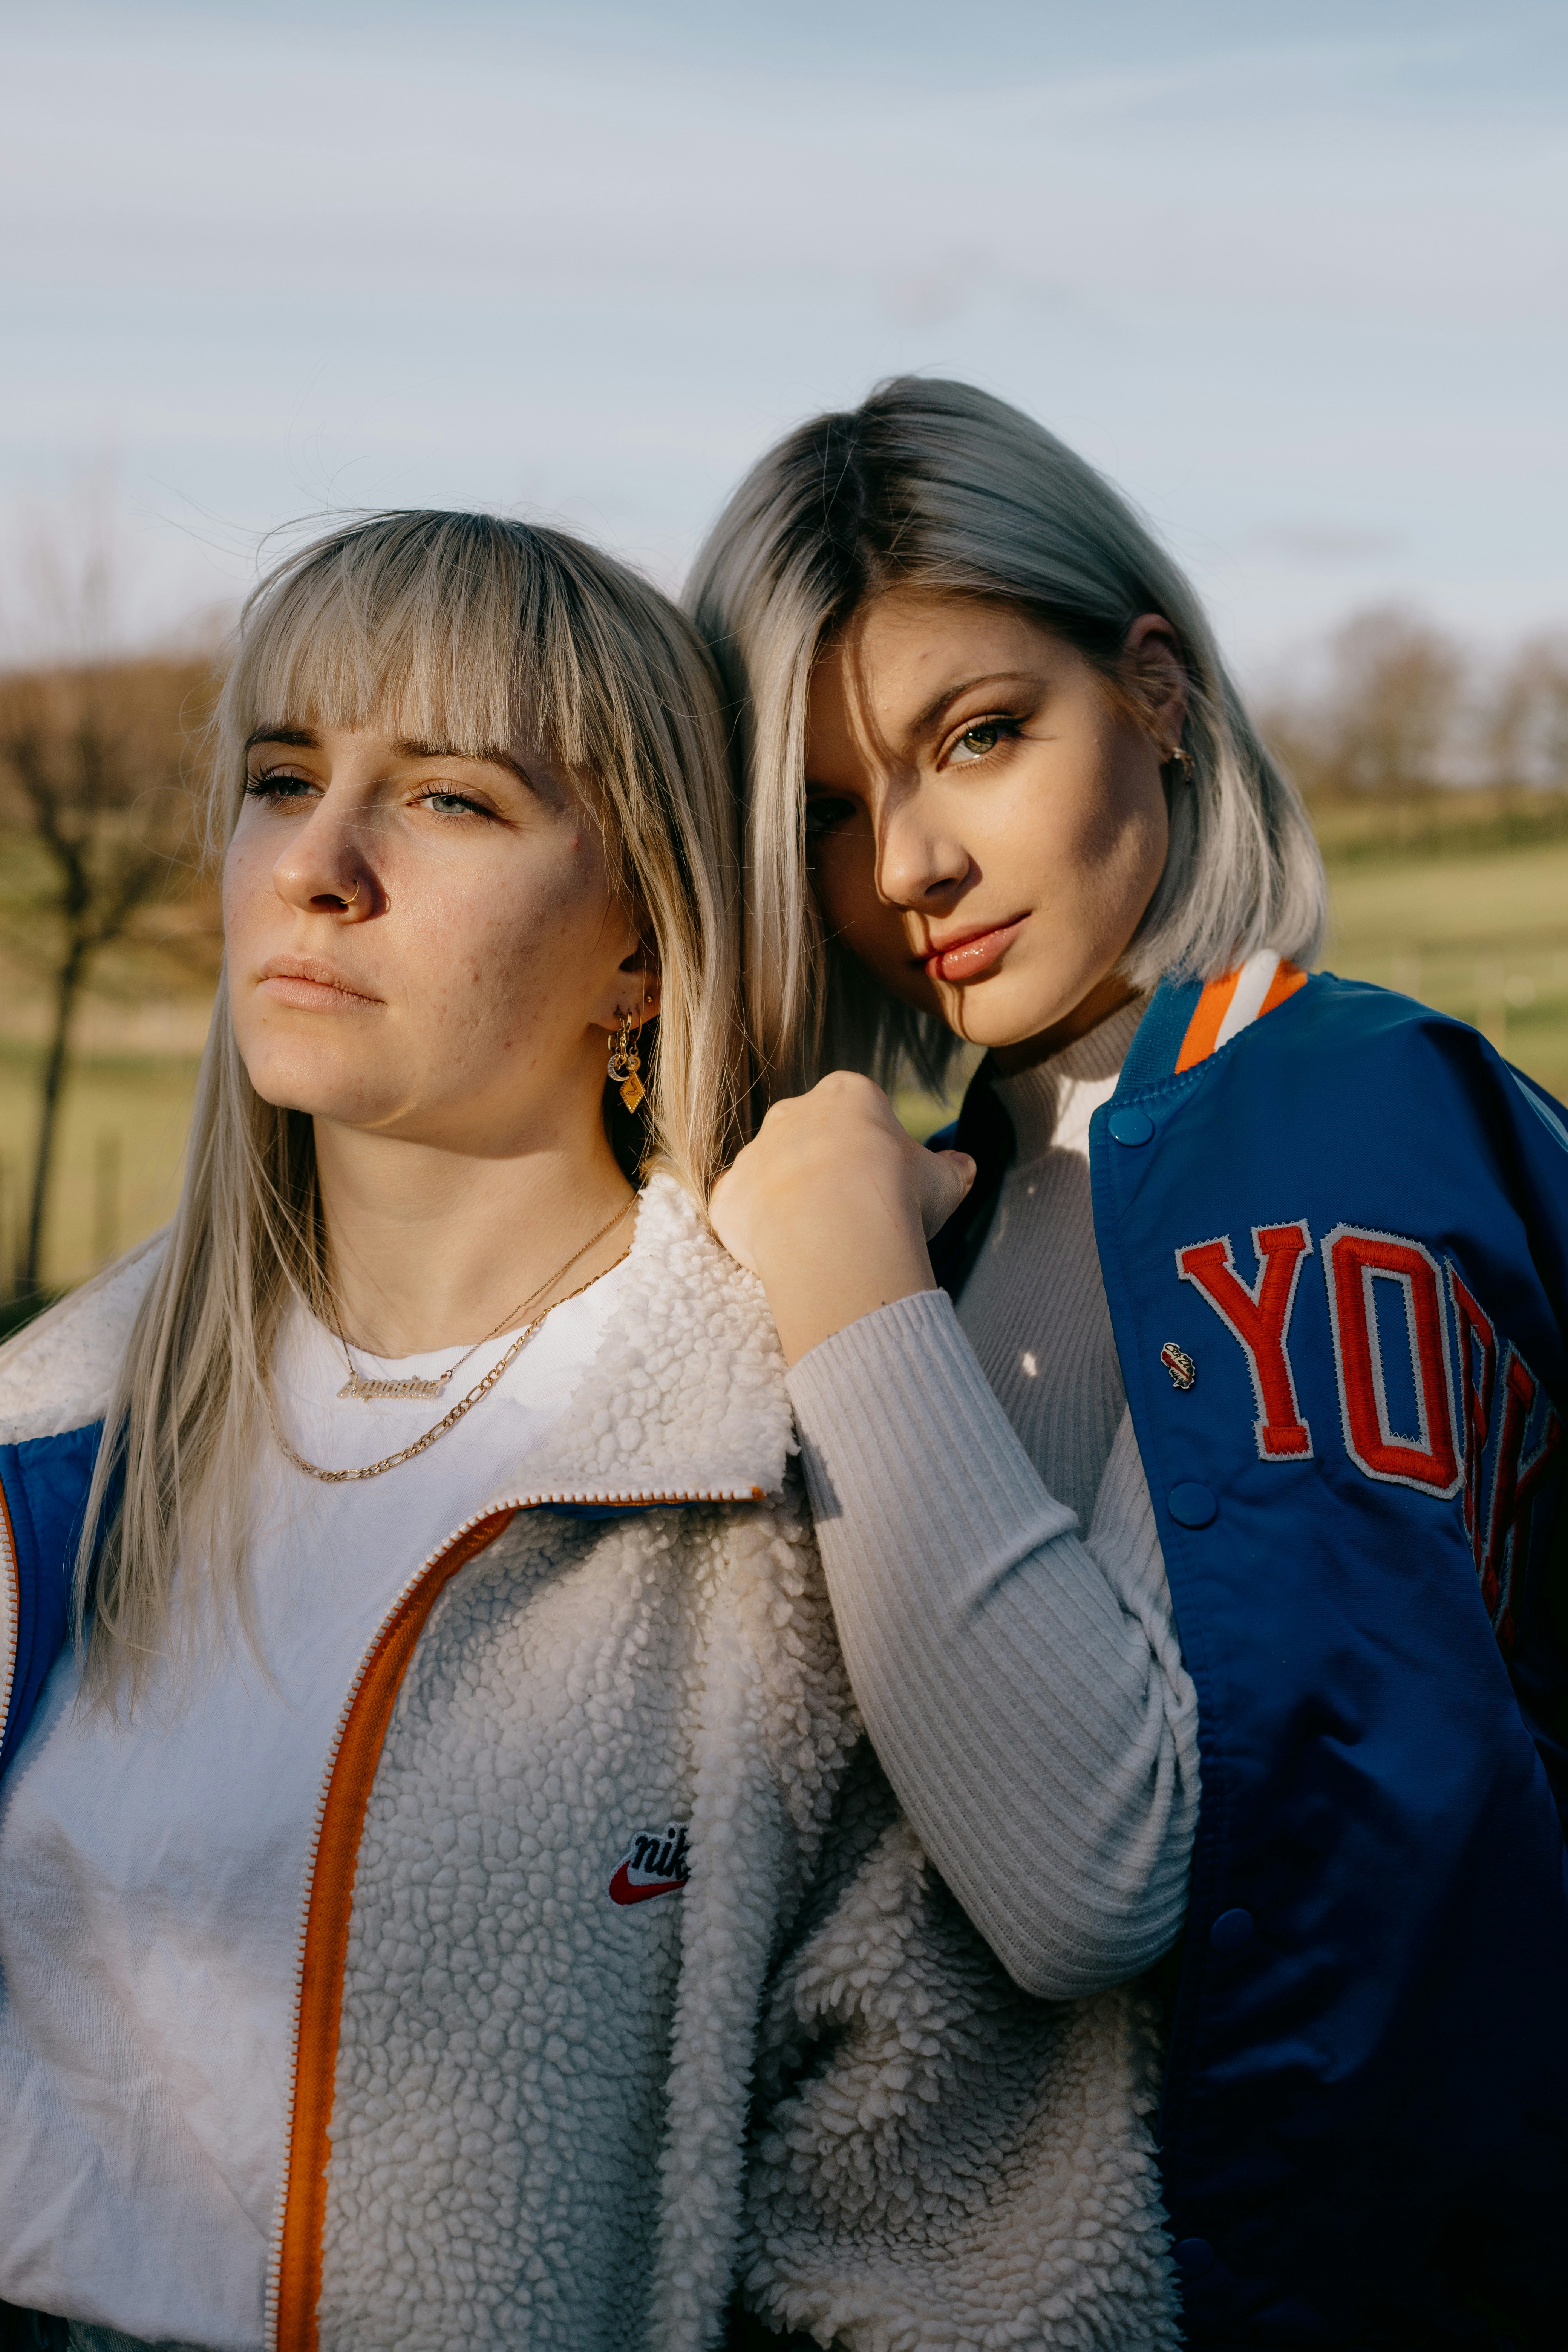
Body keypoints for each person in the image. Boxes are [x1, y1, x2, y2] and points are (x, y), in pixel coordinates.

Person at [691, 377, 1568, 2350]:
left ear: (1154, 692)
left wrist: (843, 1283)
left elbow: (1094, 1874)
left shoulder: (1341, 1117)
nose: (906, 863)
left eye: (978, 736)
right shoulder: (945, 1188)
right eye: (827, 808)